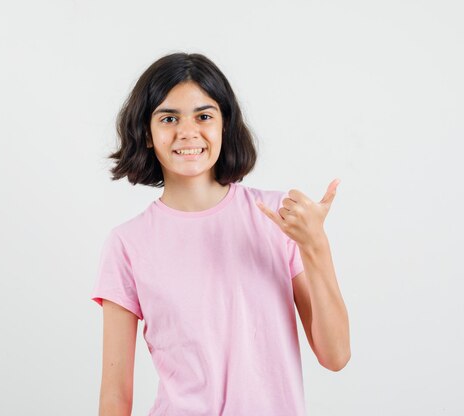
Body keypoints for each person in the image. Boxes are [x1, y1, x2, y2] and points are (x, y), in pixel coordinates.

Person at [90, 52, 350, 416]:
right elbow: (115, 397)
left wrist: (316, 247)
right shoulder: (127, 244)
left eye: (204, 116)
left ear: (224, 125)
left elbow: (335, 356)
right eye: (168, 118)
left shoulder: (277, 218)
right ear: (146, 134)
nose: (187, 131)